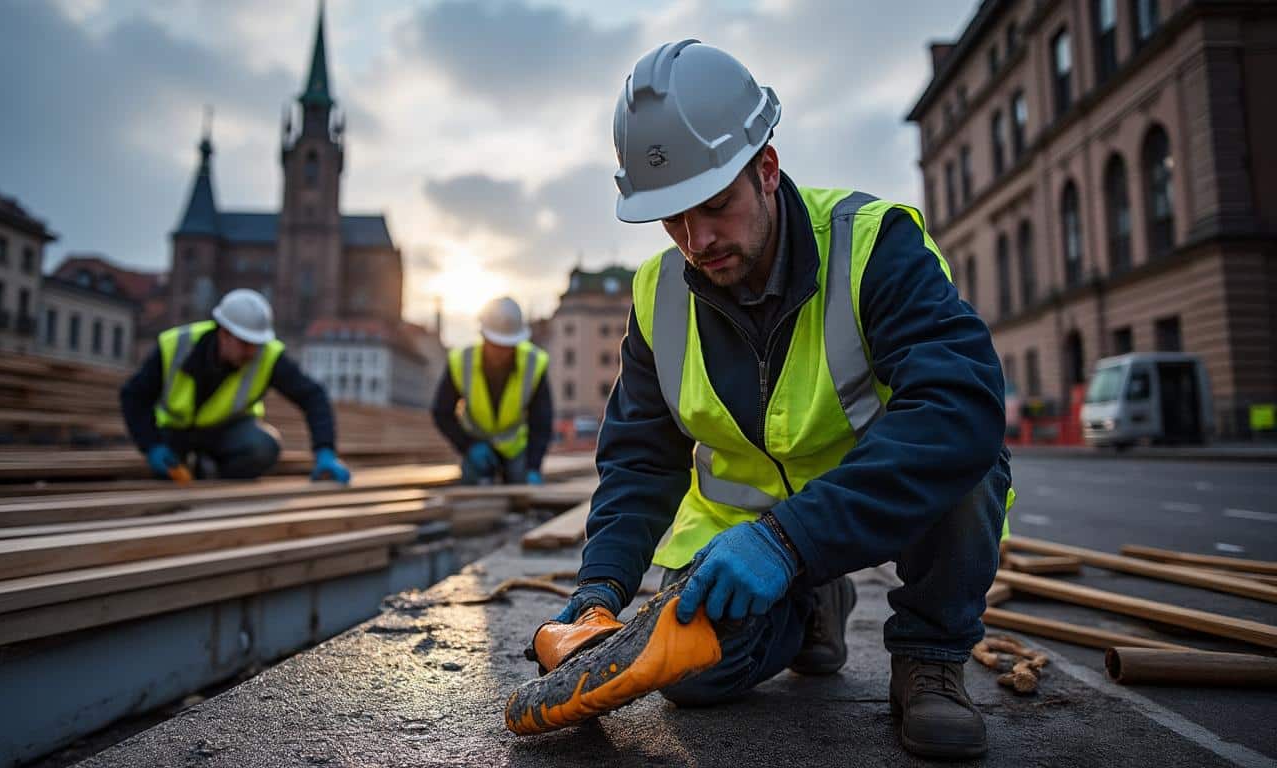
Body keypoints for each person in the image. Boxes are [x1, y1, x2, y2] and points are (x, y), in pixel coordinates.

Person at [521, 41, 1013, 758]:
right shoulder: (658, 299)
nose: (697, 240)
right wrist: (600, 586)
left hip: (882, 501)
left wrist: (791, 541)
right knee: (688, 676)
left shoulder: (874, 245)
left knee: (968, 464)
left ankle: (929, 660)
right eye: (672, 218)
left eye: (715, 206)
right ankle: (813, 605)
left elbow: (959, 405)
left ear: (767, 170)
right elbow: (639, 460)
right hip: (741, 529)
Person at [119, 289, 350, 484]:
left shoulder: (267, 356)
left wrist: (325, 451)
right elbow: (134, 396)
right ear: (224, 333)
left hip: (227, 431)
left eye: (257, 344)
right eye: (245, 343)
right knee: (167, 474)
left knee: (263, 447)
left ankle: (213, 477)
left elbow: (312, 396)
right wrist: (151, 445)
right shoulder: (176, 345)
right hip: (175, 431)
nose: (252, 351)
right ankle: (184, 462)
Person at [431, 297, 553, 485]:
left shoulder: (533, 363)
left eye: (507, 346)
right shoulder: (461, 361)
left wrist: (533, 466)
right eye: (496, 345)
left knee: (522, 487)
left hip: (514, 447)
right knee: (471, 486)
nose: (501, 352)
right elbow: (441, 412)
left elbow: (541, 422)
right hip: (476, 444)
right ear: (484, 337)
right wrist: (468, 446)